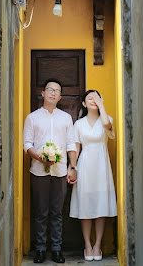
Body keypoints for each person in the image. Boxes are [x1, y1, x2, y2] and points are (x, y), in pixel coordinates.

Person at [23, 78, 79, 264]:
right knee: (40, 211)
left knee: (57, 212)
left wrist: (72, 166)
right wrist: (40, 157)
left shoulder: (66, 118)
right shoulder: (32, 118)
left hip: (60, 171)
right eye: (50, 89)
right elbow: (27, 144)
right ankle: (40, 249)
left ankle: (56, 249)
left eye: (56, 91)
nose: (53, 93)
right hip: (38, 171)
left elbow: (71, 143)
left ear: (60, 96)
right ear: (43, 93)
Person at [69, 89, 117, 261]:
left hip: (101, 167)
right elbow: (75, 148)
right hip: (85, 166)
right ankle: (87, 245)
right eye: (90, 98)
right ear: (83, 103)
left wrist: (101, 105)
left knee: (100, 206)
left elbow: (106, 126)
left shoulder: (107, 119)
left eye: (96, 97)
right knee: (86, 206)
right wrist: (72, 167)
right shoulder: (79, 124)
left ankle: (97, 245)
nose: (93, 100)